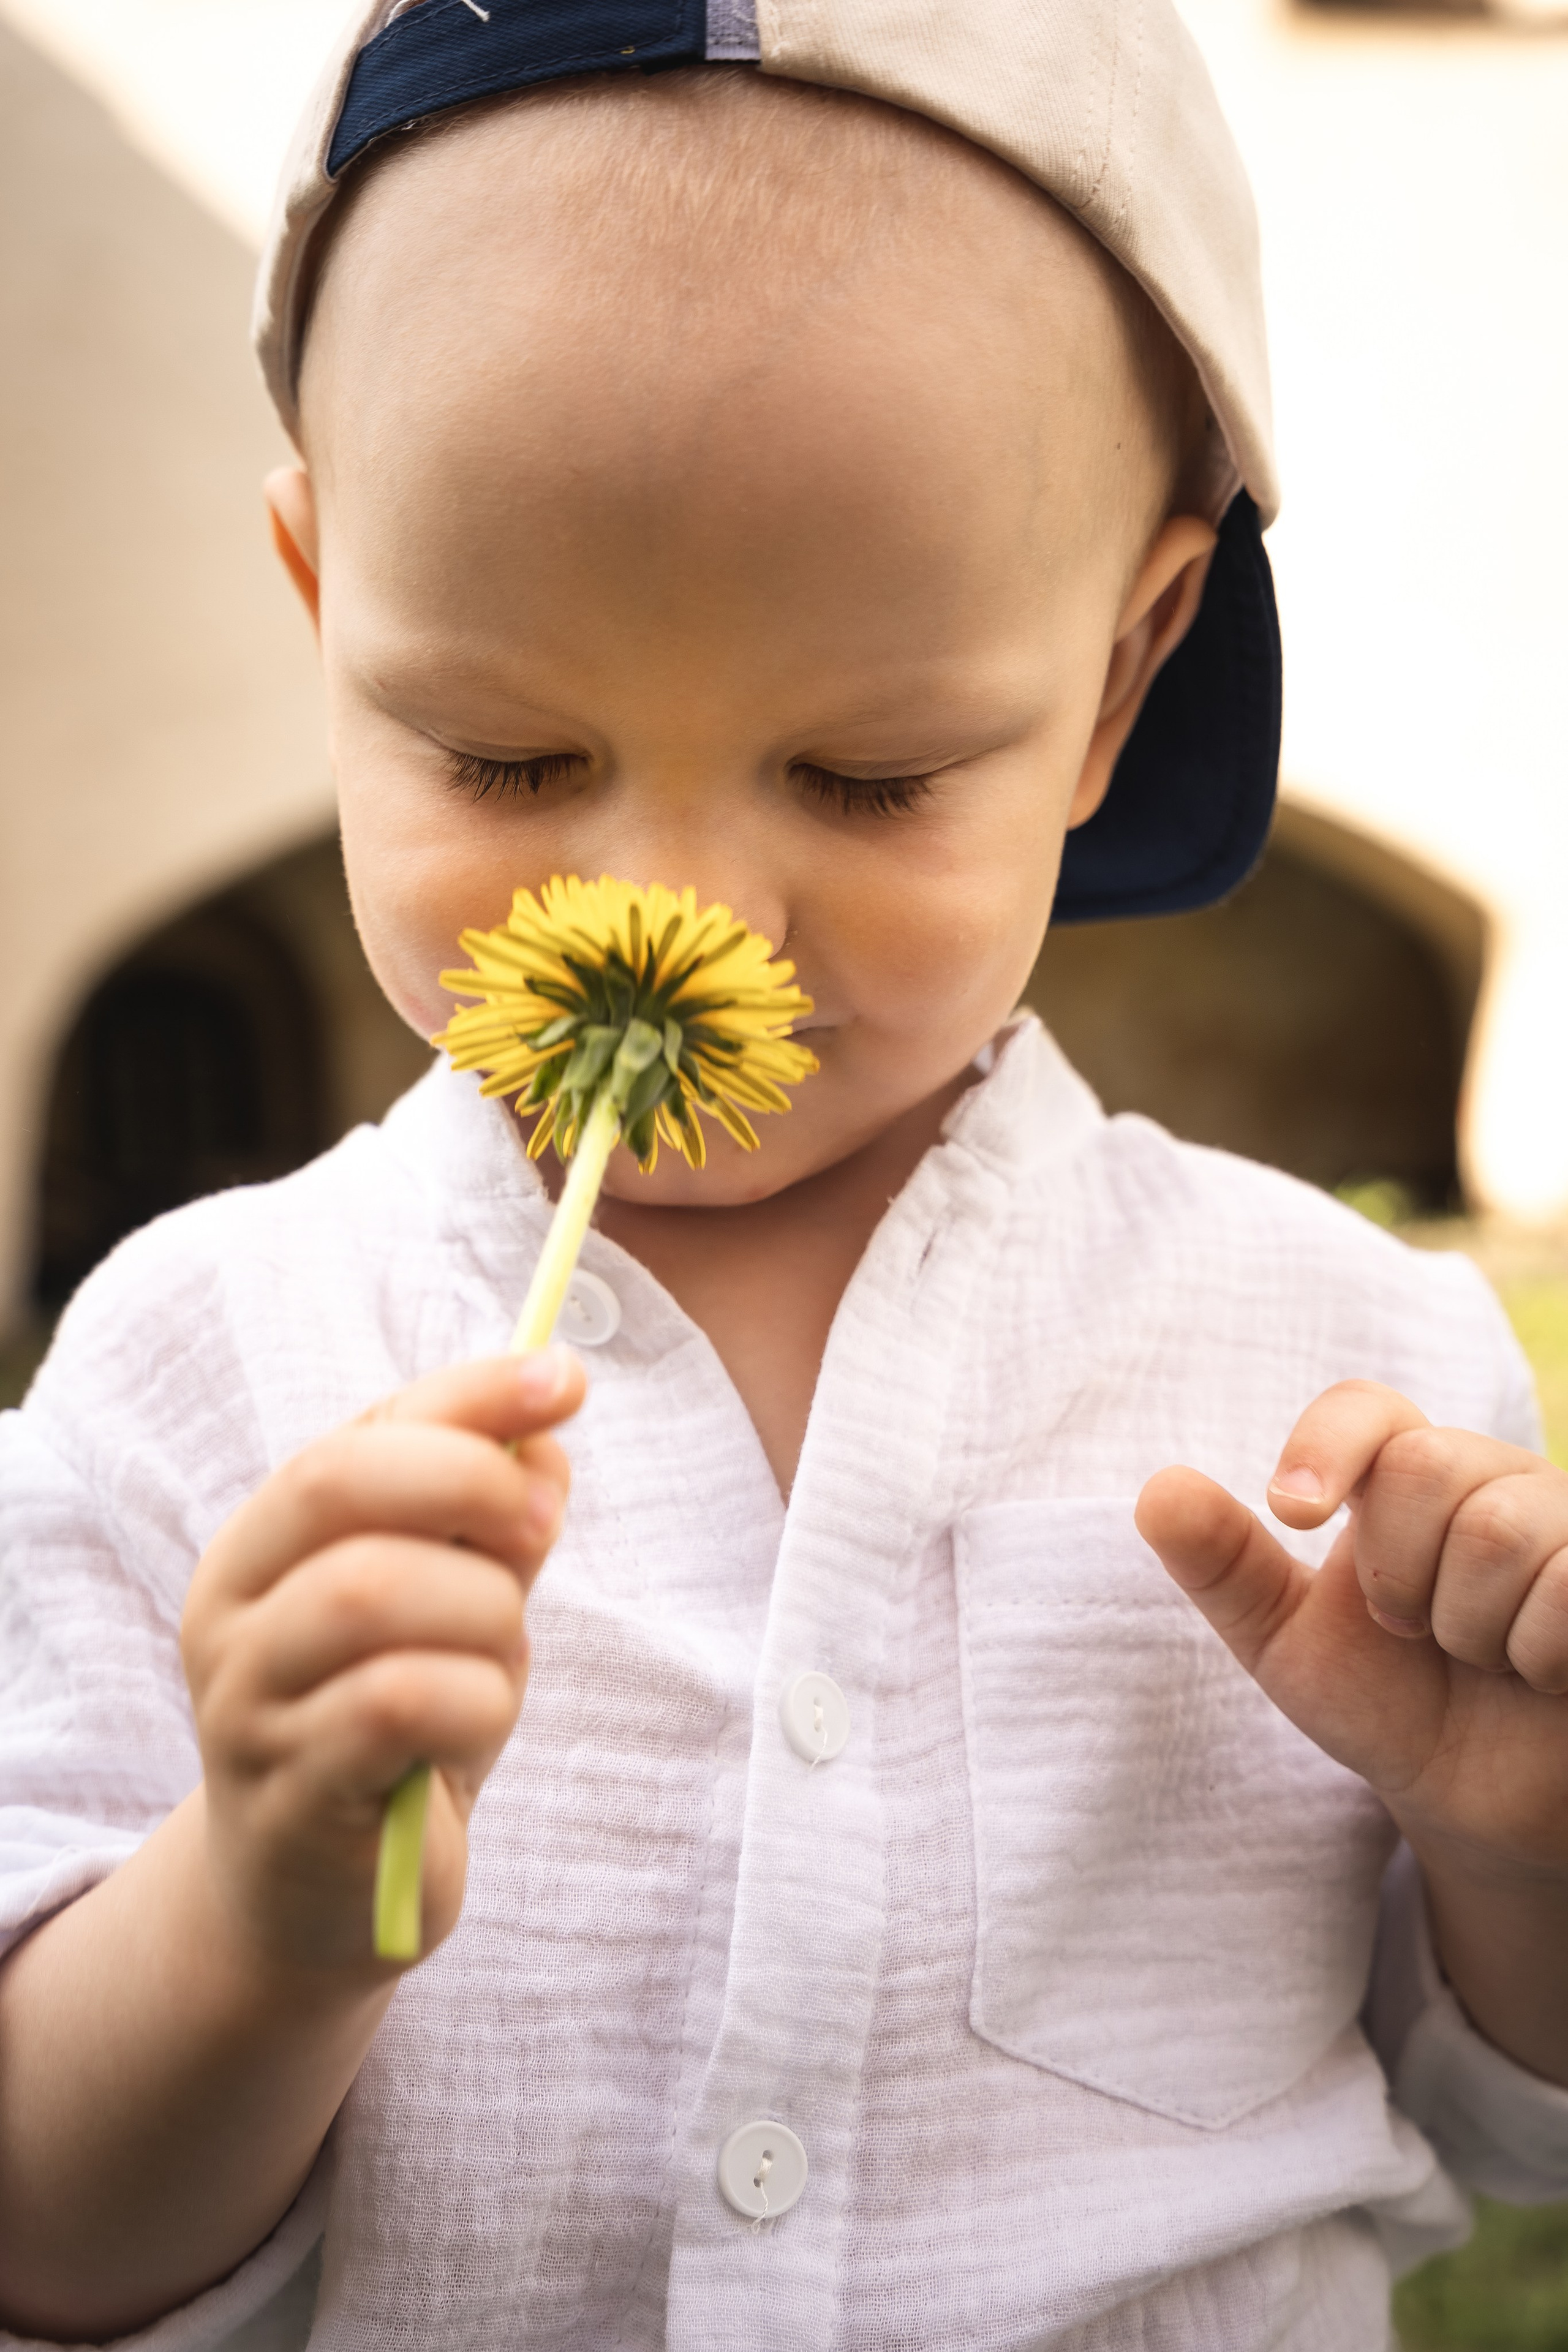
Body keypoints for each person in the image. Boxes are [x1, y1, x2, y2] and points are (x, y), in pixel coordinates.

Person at [2, 2, 1567, 2345]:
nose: (687, 911)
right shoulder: (197, 1363)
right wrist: (254, 1919)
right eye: (508, 755)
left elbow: (1508, 2130)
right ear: (329, 608)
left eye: (867, 775)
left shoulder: (1353, 1385)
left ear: (1119, 679)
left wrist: (1509, 1841)